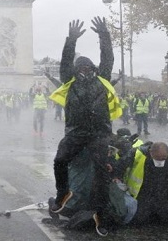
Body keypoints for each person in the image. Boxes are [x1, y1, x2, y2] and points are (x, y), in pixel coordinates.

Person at [48, 17, 119, 237]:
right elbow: (65, 60)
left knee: (101, 177)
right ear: (76, 69)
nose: (86, 70)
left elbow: (108, 57)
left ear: (95, 69)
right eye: (82, 67)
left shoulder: (103, 79)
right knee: (60, 161)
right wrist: (71, 40)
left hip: (99, 135)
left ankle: (101, 216)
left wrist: (103, 35)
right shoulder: (69, 81)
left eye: (89, 67)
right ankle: (62, 194)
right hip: (76, 133)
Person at [113, 142, 168, 225]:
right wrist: (117, 178)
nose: (160, 161)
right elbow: (120, 164)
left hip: (166, 194)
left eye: (163, 158)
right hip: (143, 193)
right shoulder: (137, 153)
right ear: (151, 153)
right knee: (138, 221)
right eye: (157, 158)